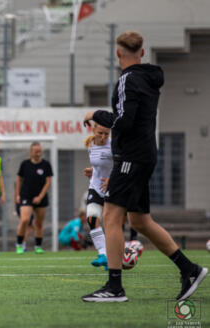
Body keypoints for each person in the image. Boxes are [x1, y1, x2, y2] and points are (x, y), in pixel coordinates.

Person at [82, 31, 207, 302]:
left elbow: (124, 121)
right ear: (141, 52)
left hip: (131, 157)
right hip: (144, 154)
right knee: (140, 220)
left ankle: (114, 287)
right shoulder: (149, 78)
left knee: (111, 218)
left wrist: (96, 114)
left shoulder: (128, 79)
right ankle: (189, 269)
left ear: (118, 54)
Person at [83, 123, 113, 269]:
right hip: (95, 186)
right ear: (93, 130)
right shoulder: (90, 144)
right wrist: (92, 171)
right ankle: (103, 254)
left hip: (112, 188)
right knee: (92, 218)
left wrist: (111, 179)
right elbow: (98, 166)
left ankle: (112, 257)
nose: (103, 137)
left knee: (110, 223)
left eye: (106, 134)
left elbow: (123, 166)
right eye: (100, 133)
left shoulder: (114, 146)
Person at [14, 142, 53, 254]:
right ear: (31, 152)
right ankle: (19, 244)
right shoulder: (24, 164)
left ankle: (38, 246)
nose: (38, 153)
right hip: (26, 196)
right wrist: (17, 195)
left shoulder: (46, 165)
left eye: (39, 151)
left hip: (41, 198)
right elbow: (18, 180)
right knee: (24, 220)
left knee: (39, 223)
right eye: (36, 151)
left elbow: (48, 182)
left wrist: (40, 196)